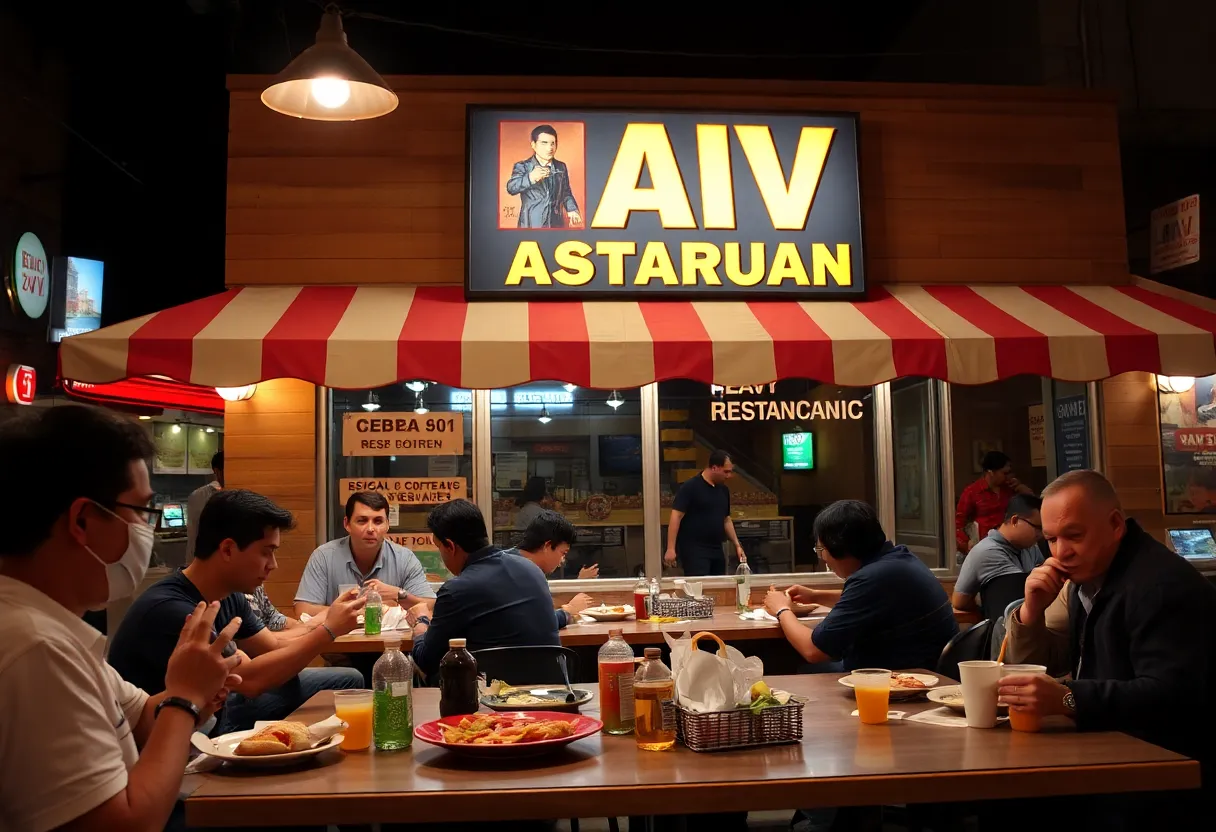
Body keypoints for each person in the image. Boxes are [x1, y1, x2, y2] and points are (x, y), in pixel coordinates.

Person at [0, 404, 239, 832]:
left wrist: (198, 688)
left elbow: (144, 717)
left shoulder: (55, 632)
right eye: (140, 513)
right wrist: (185, 699)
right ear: (83, 520)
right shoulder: (34, 647)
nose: (144, 531)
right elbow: (126, 823)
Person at [998, 470, 1216, 800]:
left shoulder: (1159, 585)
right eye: (1052, 539)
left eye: (1074, 535)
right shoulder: (1083, 579)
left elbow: (1171, 695)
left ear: (1115, 525)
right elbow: (1038, 667)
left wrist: (1069, 698)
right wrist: (1031, 612)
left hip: (1167, 777)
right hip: (1109, 753)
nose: (1061, 552)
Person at [108, 489, 367, 734]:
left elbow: (270, 647)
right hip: (178, 734)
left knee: (347, 681)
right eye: (267, 552)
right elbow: (251, 681)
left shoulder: (229, 594)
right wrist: (328, 631)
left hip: (218, 708)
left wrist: (322, 626)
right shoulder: (175, 611)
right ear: (228, 549)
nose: (273, 565)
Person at [764, 500, 957, 672]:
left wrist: (781, 609)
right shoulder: (899, 559)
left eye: (821, 549)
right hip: (919, 668)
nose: (823, 558)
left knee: (791, 667)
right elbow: (871, 602)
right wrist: (815, 595)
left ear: (839, 546)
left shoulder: (872, 578)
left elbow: (814, 651)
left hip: (905, 680)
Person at [409, 500, 560, 678]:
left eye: (439, 547)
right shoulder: (531, 569)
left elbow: (426, 661)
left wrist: (421, 622)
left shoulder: (456, 590)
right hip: (550, 692)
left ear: (450, 546)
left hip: (491, 699)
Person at [295, 490, 436, 618]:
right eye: (362, 521)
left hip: (389, 643)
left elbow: (431, 606)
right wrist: (358, 610)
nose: (370, 529)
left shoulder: (404, 558)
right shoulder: (324, 556)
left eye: (378, 521)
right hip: (338, 644)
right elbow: (303, 609)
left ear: (387, 525)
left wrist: (398, 595)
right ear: (347, 524)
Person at [951, 493, 1044, 614]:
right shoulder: (988, 552)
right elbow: (959, 601)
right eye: (1037, 527)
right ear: (1015, 521)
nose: (1041, 534)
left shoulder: (1031, 548)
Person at [501, 509, 595, 627]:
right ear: (548, 546)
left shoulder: (507, 561)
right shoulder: (525, 572)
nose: (562, 561)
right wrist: (569, 610)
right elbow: (542, 623)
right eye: (563, 553)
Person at [664, 449, 747, 577]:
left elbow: (726, 519)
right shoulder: (690, 487)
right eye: (726, 471)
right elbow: (676, 516)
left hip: (716, 548)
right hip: (694, 549)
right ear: (714, 468)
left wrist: (737, 545)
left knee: (718, 587)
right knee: (699, 589)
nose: (729, 476)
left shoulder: (723, 490)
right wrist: (671, 548)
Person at [955, 450, 1034, 555]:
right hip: (985, 545)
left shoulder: (1010, 488)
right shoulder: (972, 492)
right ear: (991, 472)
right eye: (1004, 473)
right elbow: (958, 523)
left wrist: (1020, 487)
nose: (1008, 476)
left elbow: (1032, 506)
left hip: (1010, 542)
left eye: (1009, 472)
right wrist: (966, 544)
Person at [505, 124, 582, 228]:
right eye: (544, 143)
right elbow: (511, 188)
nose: (549, 148)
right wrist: (530, 178)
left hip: (556, 224)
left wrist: (572, 209)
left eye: (552, 143)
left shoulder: (561, 166)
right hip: (530, 224)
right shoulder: (523, 166)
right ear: (533, 145)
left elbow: (566, 193)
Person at [185, 450, 223, 561]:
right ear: (217, 471)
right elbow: (193, 534)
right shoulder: (199, 496)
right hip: (206, 562)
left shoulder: (243, 495)